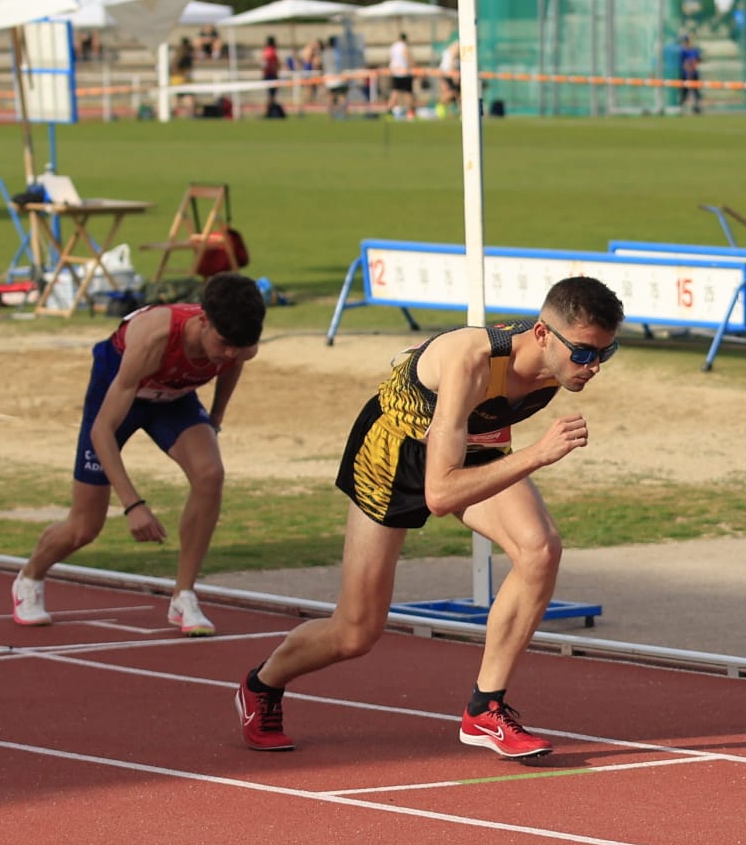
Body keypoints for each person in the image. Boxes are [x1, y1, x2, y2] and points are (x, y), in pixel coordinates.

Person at [233, 278, 625, 755]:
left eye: (605, 353)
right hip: (392, 457)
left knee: (540, 549)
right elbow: (439, 494)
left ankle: (485, 710)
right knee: (356, 632)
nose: (593, 367)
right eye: (584, 354)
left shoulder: (555, 364)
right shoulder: (471, 361)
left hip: (471, 446)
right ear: (543, 334)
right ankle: (263, 683)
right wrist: (538, 454)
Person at [12, 274, 267, 637]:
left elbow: (233, 364)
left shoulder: (240, 344)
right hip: (122, 393)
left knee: (210, 474)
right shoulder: (154, 337)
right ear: (203, 321)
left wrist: (216, 418)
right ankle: (29, 577)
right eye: (224, 343)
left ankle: (184, 595)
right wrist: (133, 505)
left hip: (173, 398)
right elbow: (102, 431)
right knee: (84, 527)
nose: (230, 353)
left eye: (240, 346)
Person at [388, 31, 417, 118]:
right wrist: (414, 68)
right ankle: (411, 111)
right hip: (404, 71)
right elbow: (407, 57)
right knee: (408, 92)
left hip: (394, 71)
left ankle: (390, 109)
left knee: (395, 91)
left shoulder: (393, 46)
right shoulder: (403, 46)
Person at [677, 34, 703, 114]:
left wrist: (692, 68)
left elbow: (697, 60)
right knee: (684, 92)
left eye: (686, 41)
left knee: (695, 92)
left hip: (694, 74)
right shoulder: (683, 51)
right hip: (685, 74)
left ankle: (696, 107)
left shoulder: (694, 50)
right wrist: (688, 70)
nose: (685, 43)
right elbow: (684, 63)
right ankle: (681, 108)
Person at [439, 38, 463, 115]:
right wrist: (454, 74)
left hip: (447, 72)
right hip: (449, 73)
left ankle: (462, 112)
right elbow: (452, 59)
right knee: (452, 92)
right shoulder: (458, 45)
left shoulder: (455, 45)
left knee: (458, 93)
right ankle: (440, 107)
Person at [259, 36, 281, 112]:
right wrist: (275, 73)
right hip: (271, 75)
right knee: (272, 95)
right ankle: (270, 110)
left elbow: (263, 64)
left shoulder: (265, 51)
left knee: (270, 94)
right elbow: (274, 65)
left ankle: (269, 110)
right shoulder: (272, 52)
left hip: (266, 74)